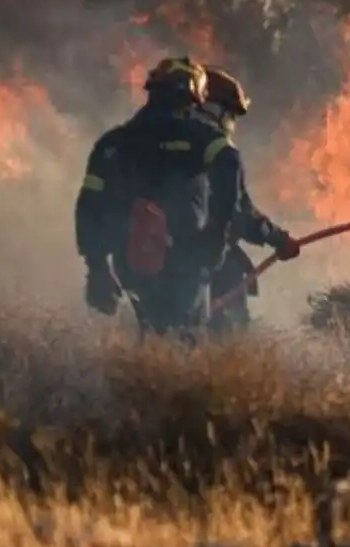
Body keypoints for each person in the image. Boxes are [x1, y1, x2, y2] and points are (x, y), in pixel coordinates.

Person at [74, 56, 246, 341]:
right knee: (185, 337)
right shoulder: (199, 134)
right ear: (194, 94)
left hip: (131, 257)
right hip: (186, 256)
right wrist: (216, 233)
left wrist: (97, 267)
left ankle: (142, 366)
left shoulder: (114, 142)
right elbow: (230, 164)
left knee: (147, 329)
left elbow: (90, 205)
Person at [195, 65, 300, 332]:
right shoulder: (218, 150)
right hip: (208, 260)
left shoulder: (157, 142)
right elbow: (239, 212)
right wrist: (278, 239)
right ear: (214, 108)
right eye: (231, 114)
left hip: (151, 260)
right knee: (225, 333)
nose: (231, 123)